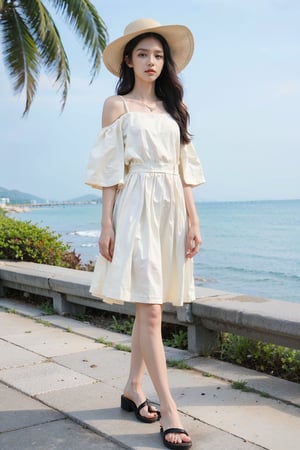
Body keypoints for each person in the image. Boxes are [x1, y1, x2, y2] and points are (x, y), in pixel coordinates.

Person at [85, 18, 205, 450]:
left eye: (158, 55)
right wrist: (106, 223)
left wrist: (193, 220)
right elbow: (110, 172)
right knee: (151, 311)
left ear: (164, 62)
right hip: (135, 207)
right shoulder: (116, 107)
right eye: (142, 54)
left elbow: (184, 170)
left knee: (149, 308)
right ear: (129, 61)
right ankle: (170, 410)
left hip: (171, 210)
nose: (151, 62)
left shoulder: (175, 109)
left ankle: (133, 388)